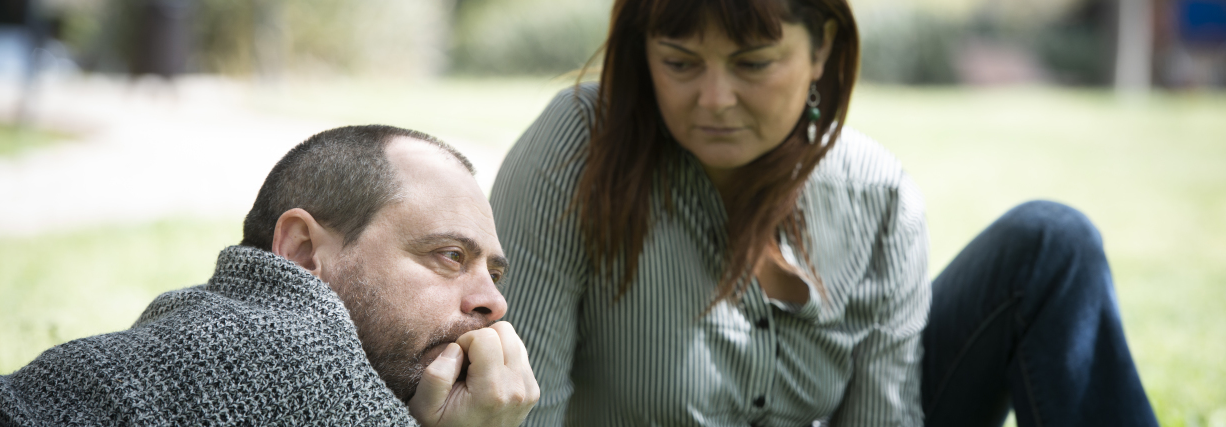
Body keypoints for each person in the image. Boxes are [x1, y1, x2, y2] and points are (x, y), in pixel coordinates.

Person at [489, 0, 1158, 426]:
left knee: (1051, 242)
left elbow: (884, 415)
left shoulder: (878, 195)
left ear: (822, 50)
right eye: (680, 63)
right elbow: (520, 407)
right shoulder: (576, 147)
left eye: (753, 64)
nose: (714, 98)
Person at [0, 125, 539, 426]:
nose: (494, 302)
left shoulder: (195, 319)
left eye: (494, 272)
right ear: (301, 252)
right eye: (449, 255)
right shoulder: (291, 354)